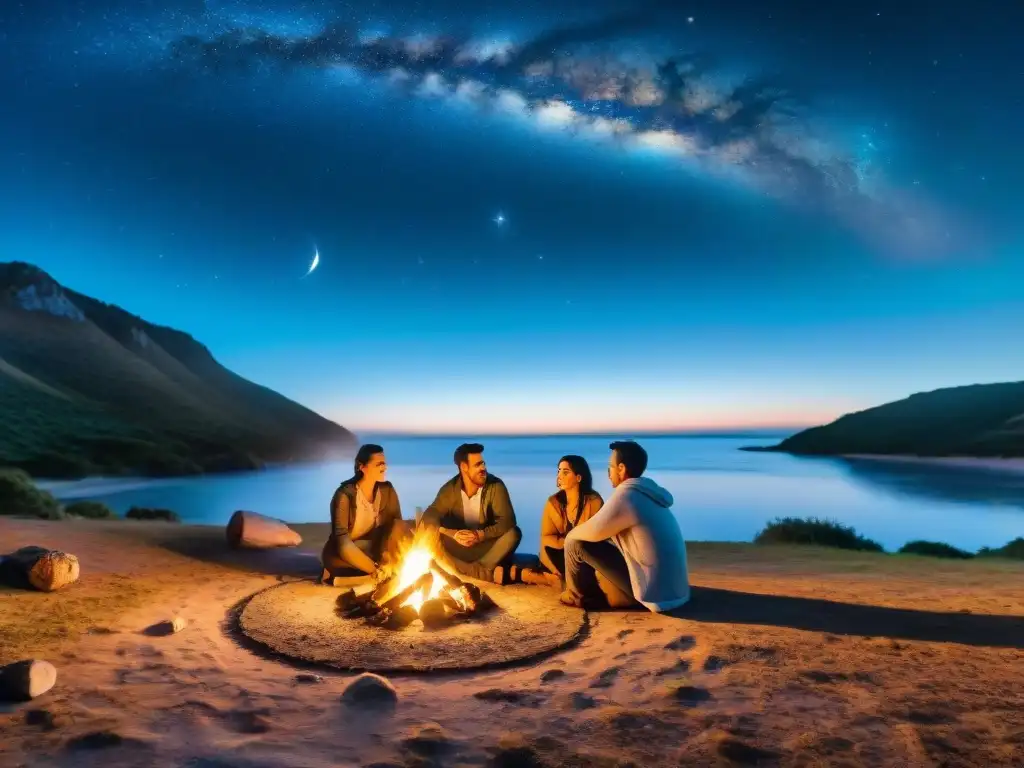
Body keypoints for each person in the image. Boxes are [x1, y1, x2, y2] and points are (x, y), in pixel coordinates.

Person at [559, 440, 689, 612]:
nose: (608, 473)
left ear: (621, 469)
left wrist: (571, 533)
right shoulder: (647, 492)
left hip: (654, 595)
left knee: (574, 543)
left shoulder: (628, 496)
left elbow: (594, 531)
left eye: (609, 467)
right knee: (591, 542)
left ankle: (577, 596)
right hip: (675, 592)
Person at [417, 442, 522, 584]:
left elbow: (507, 521)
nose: (483, 468)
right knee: (430, 533)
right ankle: (486, 572)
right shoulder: (450, 489)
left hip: (486, 547)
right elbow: (431, 514)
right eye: (478, 465)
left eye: (483, 463)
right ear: (464, 467)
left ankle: (473, 569)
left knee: (514, 534)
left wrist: (480, 535)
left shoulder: (495, 486)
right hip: (459, 546)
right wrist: (451, 533)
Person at [321, 443, 410, 582]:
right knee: (344, 564)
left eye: (384, 463)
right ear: (362, 467)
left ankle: (374, 574)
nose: (384, 467)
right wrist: (375, 570)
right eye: (379, 464)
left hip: (374, 548)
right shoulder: (344, 495)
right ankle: (369, 576)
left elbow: (397, 528)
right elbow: (342, 543)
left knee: (400, 529)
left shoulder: (387, 490)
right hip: (346, 553)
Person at [520, 455, 604, 587]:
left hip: (585, 557)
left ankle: (533, 576)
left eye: (565, 472)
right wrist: (565, 547)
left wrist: (574, 546)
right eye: (558, 471)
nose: (559, 476)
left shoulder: (594, 502)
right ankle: (551, 577)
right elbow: (546, 538)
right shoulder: (553, 503)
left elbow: (597, 538)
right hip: (559, 554)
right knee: (568, 578)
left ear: (578, 477)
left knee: (580, 581)